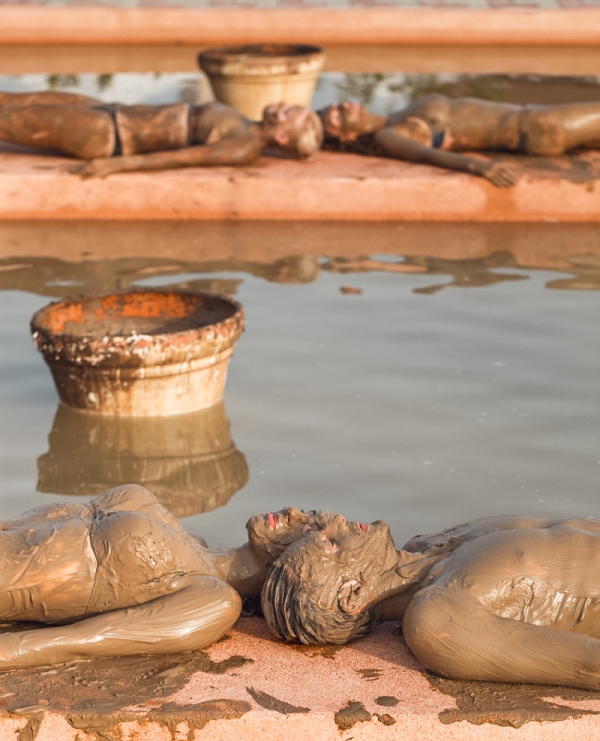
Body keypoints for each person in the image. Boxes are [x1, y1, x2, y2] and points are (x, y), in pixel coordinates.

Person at [0, 484, 332, 669]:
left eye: (305, 529)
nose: (292, 513)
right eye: (309, 514)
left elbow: (87, 640)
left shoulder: (214, 601)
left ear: (296, 571)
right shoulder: (191, 541)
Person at [262, 513, 600, 691]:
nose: (338, 520)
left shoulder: (426, 545)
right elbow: (585, 664)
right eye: (332, 545)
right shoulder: (436, 620)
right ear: (353, 595)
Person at [0, 91, 323, 177]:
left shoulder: (244, 147)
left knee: (7, 119)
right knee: (10, 100)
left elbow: (180, 159)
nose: (282, 105)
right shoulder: (245, 123)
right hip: (110, 111)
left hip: (107, 135)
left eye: (288, 113)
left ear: (282, 137)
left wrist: (114, 166)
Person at [318, 96, 600, 188]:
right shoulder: (388, 135)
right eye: (335, 118)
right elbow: (424, 155)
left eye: (335, 105)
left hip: (537, 120)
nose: (342, 107)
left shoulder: (396, 117)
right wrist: (476, 166)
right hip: (538, 128)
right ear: (348, 138)